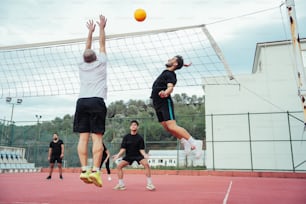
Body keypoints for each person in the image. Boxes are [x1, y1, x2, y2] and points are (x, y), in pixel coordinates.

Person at [73, 14, 107, 188]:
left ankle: (84, 169)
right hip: (96, 101)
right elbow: (101, 44)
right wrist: (101, 28)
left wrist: (89, 32)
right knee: (97, 138)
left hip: (82, 102)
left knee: (83, 138)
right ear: (94, 56)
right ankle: (95, 171)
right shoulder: (101, 62)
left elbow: (88, 47)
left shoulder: (81, 64)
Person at [150, 55, 201, 158]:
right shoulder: (168, 71)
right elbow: (177, 64)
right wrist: (182, 65)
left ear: (175, 63)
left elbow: (170, 87)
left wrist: (166, 93)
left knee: (172, 125)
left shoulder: (171, 74)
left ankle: (194, 142)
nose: (169, 59)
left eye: (172, 59)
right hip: (156, 102)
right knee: (166, 127)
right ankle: (184, 141)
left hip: (164, 101)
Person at [112, 120, 155, 191]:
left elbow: (141, 149)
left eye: (135, 125)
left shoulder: (140, 138)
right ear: (130, 127)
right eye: (132, 125)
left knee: (146, 164)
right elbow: (123, 148)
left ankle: (150, 184)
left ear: (137, 127)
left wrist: (145, 155)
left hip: (138, 156)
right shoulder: (126, 137)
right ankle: (121, 185)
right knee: (119, 166)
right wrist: (118, 155)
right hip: (128, 156)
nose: (133, 126)